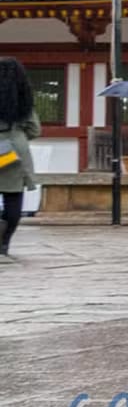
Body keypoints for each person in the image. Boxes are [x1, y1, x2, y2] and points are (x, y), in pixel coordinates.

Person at [0, 58, 41, 259]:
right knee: (13, 197)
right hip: (13, 150)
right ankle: (4, 240)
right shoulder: (23, 102)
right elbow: (35, 129)